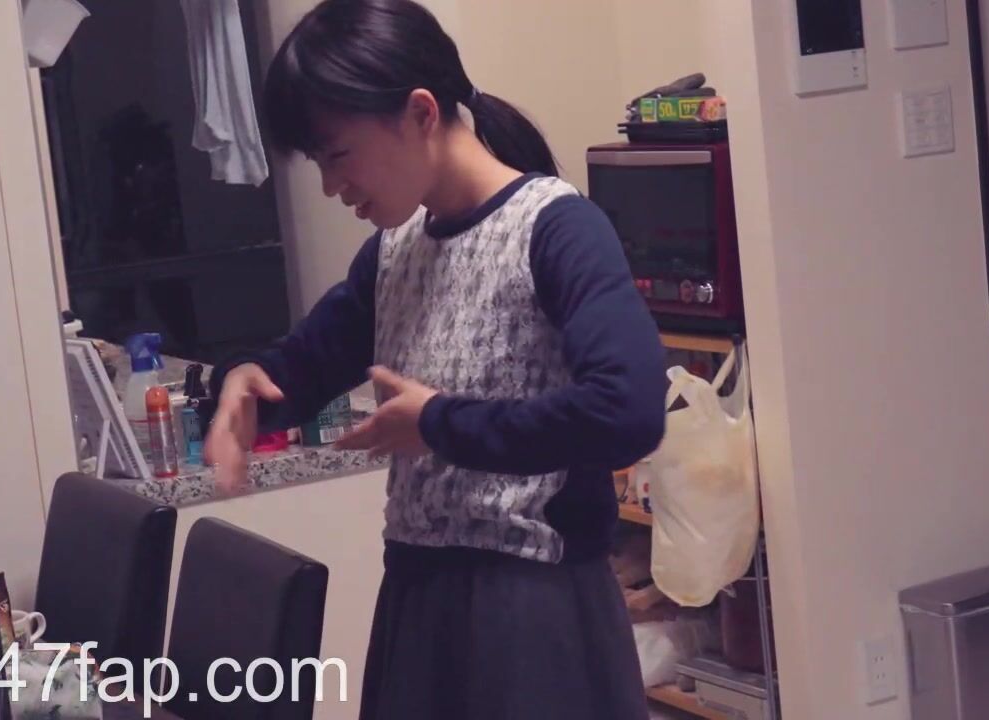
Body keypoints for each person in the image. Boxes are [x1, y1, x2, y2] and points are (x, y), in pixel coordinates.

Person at [202, 0, 667, 717]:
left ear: (420, 113)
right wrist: (241, 384)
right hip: (419, 603)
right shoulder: (395, 251)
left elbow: (628, 410)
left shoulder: (555, 228)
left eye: (337, 155)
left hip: (536, 615)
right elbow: (300, 367)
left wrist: (440, 424)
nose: (331, 186)